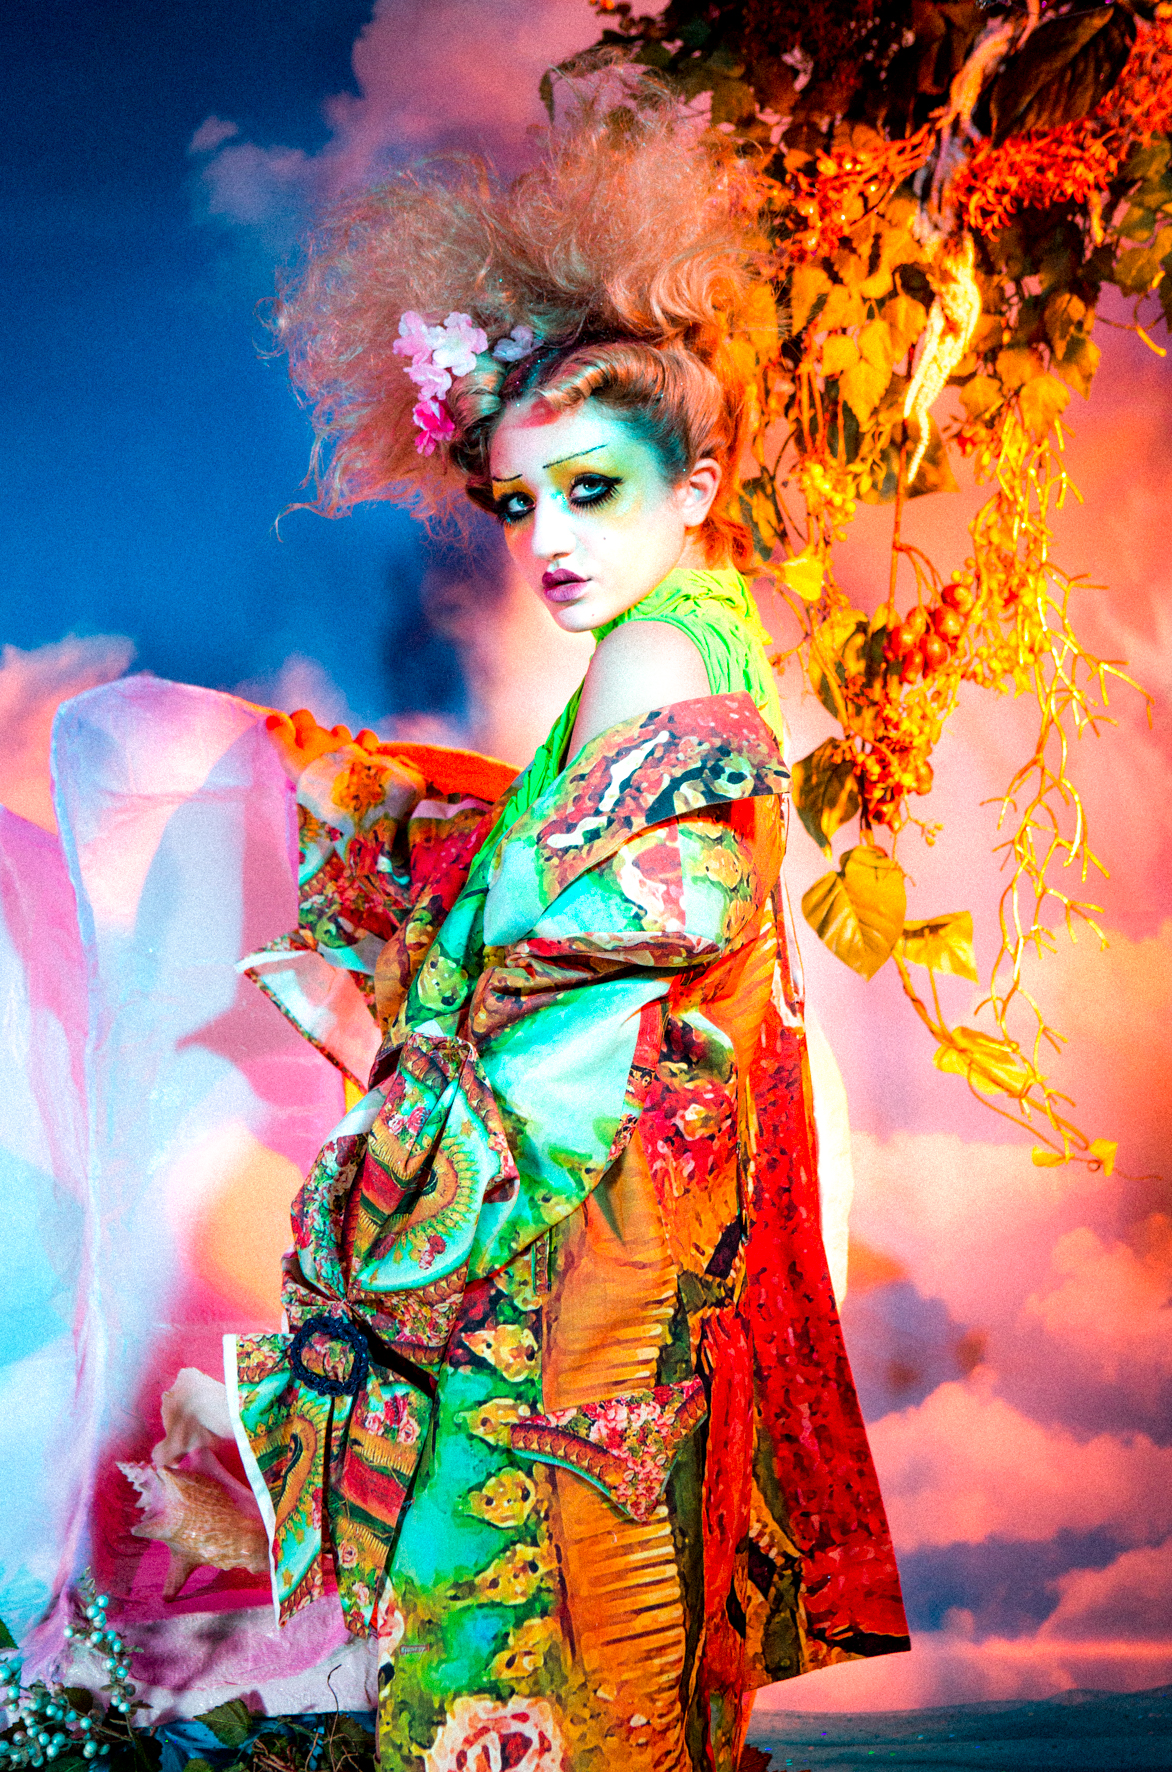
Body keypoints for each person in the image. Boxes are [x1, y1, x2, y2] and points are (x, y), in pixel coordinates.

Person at [227, 71, 908, 1772]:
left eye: (591, 489)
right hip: (632, 1271)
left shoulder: (651, 655)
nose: (545, 541)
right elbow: (586, 910)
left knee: (515, 1655)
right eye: (520, 501)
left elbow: (592, 1000)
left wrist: (377, 1057)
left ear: (697, 482)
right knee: (611, 1656)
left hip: (567, 1274)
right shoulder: (702, 628)